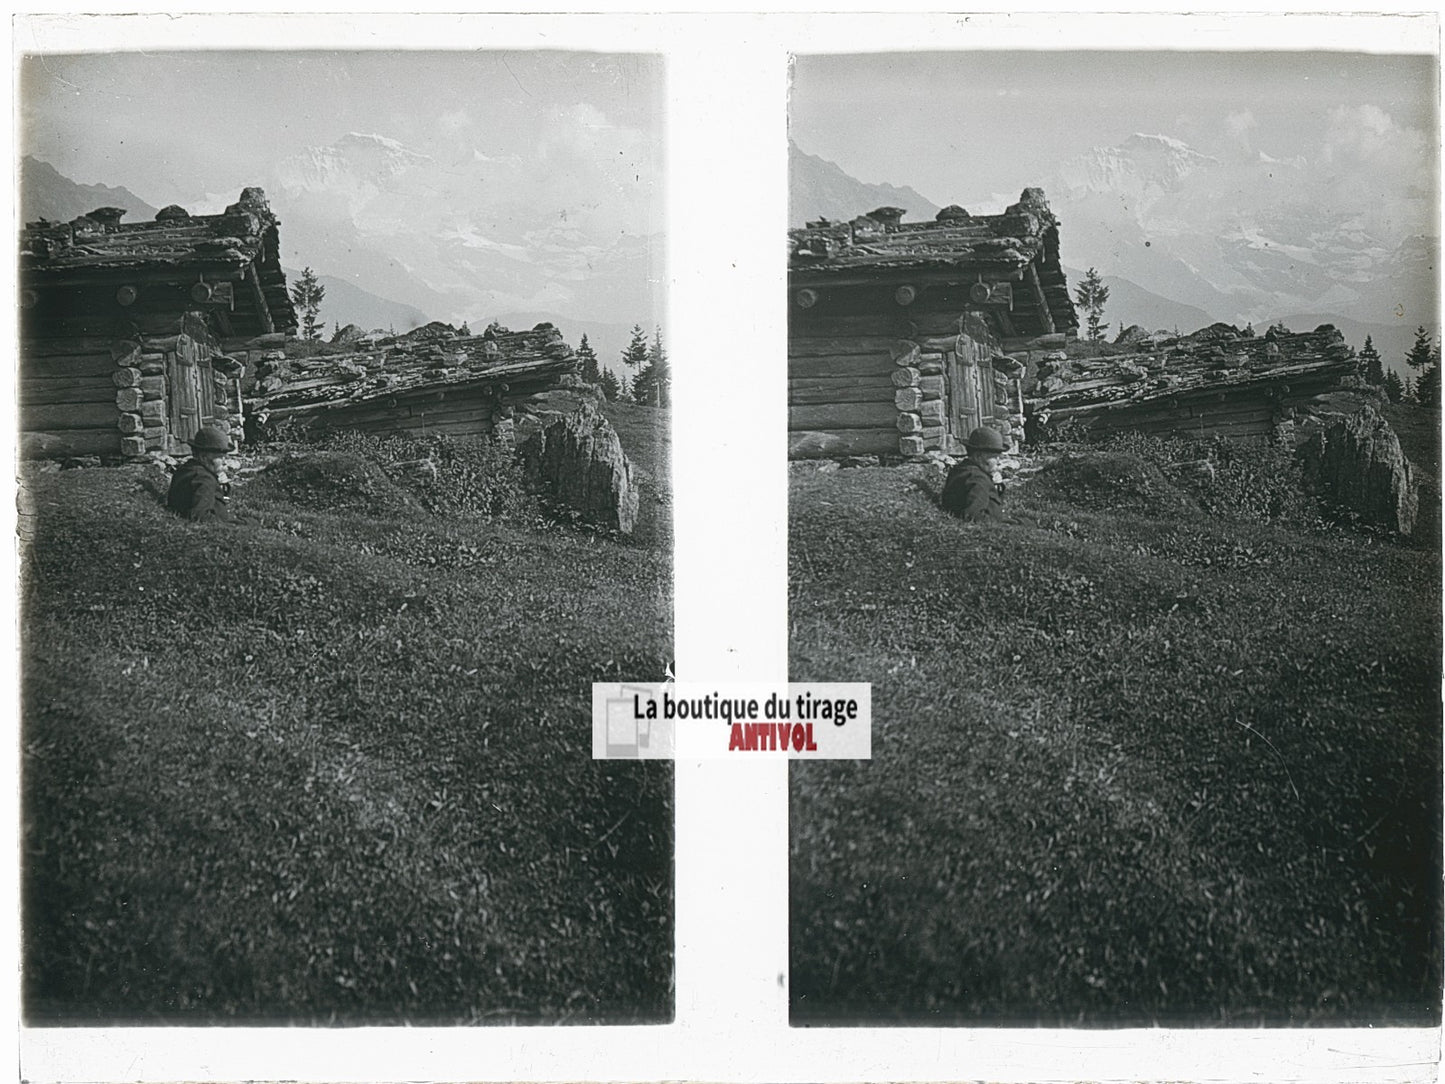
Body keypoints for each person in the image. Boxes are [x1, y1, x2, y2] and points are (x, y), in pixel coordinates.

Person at [167, 423, 239, 523]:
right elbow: (200, 516)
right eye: (220, 457)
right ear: (203, 457)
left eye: (225, 457)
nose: (224, 461)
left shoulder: (187, 469)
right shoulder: (205, 479)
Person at [940, 426, 1009, 523]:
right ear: (978, 456)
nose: (999, 461)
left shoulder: (961, 469)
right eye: (994, 457)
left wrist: (996, 486)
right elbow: (973, 516)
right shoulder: (978, 479)